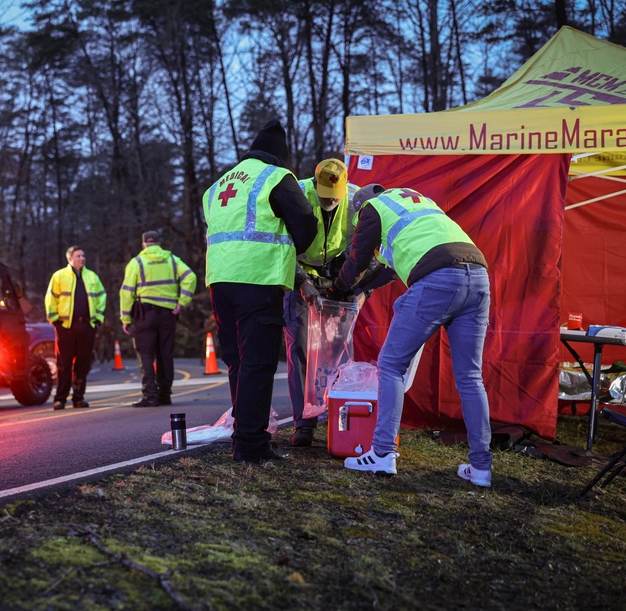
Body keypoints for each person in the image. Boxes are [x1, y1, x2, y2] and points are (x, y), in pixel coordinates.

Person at [333, 184, 493, 487]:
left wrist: (338, 289)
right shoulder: (416, 203)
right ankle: (481, 467)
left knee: (391, 365)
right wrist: (363, 286)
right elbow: (390, 269)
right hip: (478, 275)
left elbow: (356, 261)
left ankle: (381, 453)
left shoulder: (372, 209)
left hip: (439, 278)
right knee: (471, 377)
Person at [203, 118, 317, 463]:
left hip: (220, 280)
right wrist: (297, 256)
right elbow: (306, 223)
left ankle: (244, 434)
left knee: (237, 361)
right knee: (258, 361)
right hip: (259, 278)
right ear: (278, 157)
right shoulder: (276, 177)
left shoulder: (219, 183)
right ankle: (251, 444)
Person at [284, 158, 359, 447]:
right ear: (314, 185)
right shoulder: (296, 195)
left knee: (338, 348)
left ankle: (338, 418)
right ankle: (304, 424)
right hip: (298, 271)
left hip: (336, 275)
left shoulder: (354, 200)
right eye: (324, 198)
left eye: (334, 200)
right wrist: (301, 280)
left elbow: (366, 247)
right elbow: (279, 242)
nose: (330, 204)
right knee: (300, 346)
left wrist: (356, 286)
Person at [120, 230, 197, 407]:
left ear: (143, 244)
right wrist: (182, 302)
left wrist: (125, 318)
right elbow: (190, 277)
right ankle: (165, 395)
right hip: (167, 315)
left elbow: (126, 292)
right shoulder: (172, 260)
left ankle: (150, 396)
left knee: (145, 355)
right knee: (165, 354)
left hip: (144, 314)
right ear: (159, 243)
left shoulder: (137, 263)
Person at [45, 246, 107, 409]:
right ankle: (60, 399)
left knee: (83, 363)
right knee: (63, 364)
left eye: (83, 255)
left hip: (86, 326)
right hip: (65, 327)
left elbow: (102, 296)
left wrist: (98, 319)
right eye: (78, 256)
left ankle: (78, 398)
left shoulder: (92, 276)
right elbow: (50, 299)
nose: (82, 258)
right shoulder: (59, 276)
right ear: (70, 258)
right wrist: (55, 321)